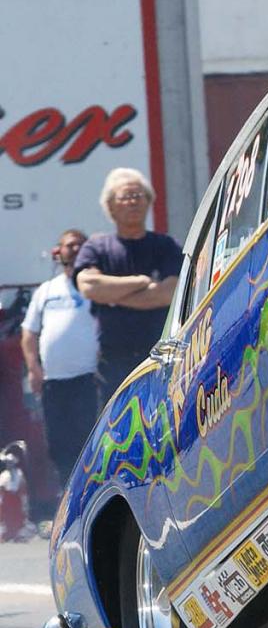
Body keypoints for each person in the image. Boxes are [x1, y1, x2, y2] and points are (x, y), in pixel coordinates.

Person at [73, 168, 182, 402]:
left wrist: (111, 295)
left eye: (138, 196)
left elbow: (169, 293)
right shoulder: (97, 247)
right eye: (125, 197)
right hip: (112, 362)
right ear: (110, 206)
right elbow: (89, 286)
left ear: (149, 202)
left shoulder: (166, 246)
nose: (133, 202)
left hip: (160, 356)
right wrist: (141, 281)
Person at [20, 230, 100, 485]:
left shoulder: (96, 285)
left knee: (90, 442)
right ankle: (68, 492)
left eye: (80, 245)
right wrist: (33, 368)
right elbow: (29, 333)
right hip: (53, 384)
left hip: (88, 380)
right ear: (59, 252)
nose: (75, 249)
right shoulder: (46, 291)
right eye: (69, 245)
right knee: (58, 446)